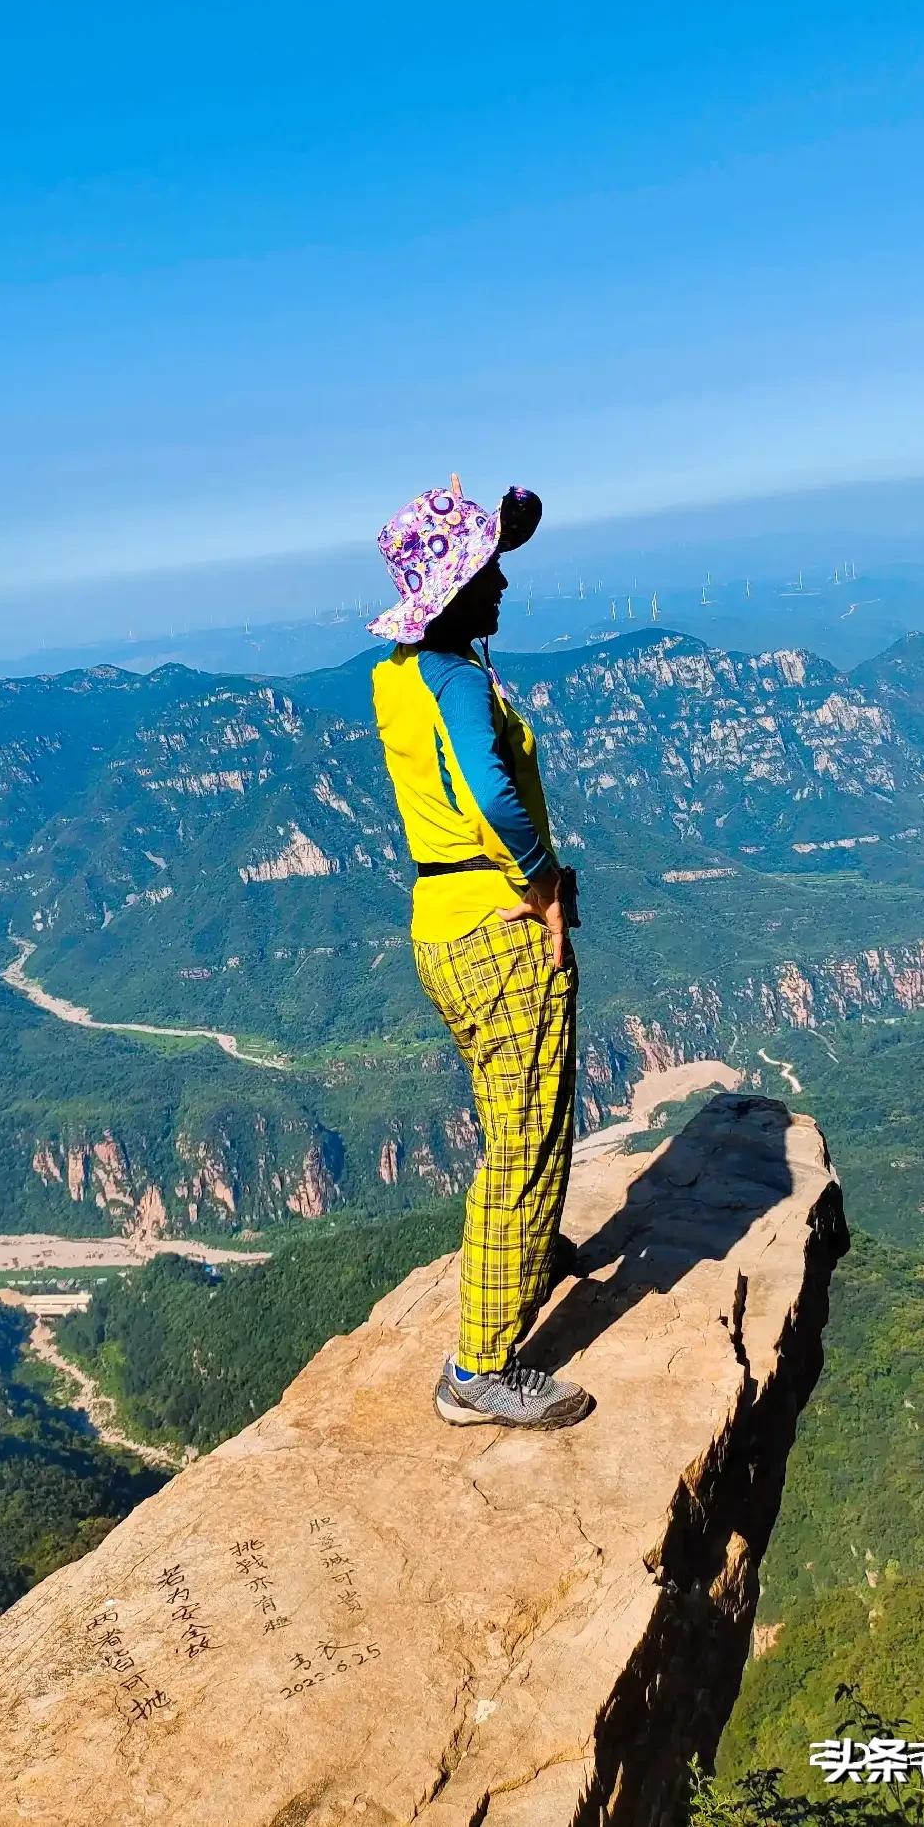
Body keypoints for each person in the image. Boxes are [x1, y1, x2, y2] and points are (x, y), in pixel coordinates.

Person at [368, 477, 592, 1430]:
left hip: (441, 923)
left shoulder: (400, 673)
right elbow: (492, 791)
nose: (501, 581)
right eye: (486, 568)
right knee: (524, 1142)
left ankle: (524, 1258)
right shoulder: (457, 680)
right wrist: (540, 883)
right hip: (499, 932)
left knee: (511, 1116)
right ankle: (479, 1371)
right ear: (454, 590)